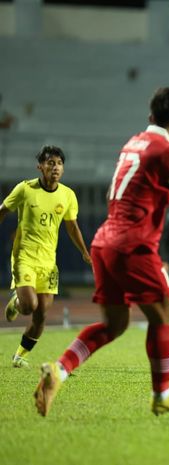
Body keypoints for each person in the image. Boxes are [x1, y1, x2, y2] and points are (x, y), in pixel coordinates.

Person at [33, 87, 169, 417]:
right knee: (163, 312)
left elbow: (121, 190)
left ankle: (58, 371)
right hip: (132, 245)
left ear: (150, 116)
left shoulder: (132, 144)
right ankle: (162, 394)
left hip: (105, 241)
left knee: (114, 324)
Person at [0, 145, 91, 368]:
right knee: (30, 305)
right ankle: (19, 301)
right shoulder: (25, 189)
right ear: (40, 166)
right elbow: (3, 210)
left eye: (59, 164)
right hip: (24, 257)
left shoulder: (67, 195)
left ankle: (20, 355)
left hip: (49, 262)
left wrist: (84, 252)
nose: (55, 168)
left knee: (41, 315)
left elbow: (72, 227)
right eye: (50, 163)